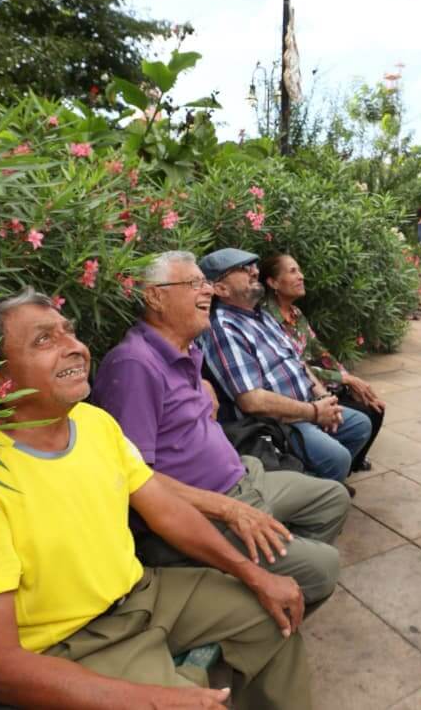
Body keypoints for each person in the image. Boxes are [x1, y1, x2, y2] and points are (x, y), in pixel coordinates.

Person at [0, 289, 311, 710]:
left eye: (68, 333)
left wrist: (252, 573)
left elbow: (167, 511)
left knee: (275, 616)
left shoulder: (93, 423)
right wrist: (155, 701)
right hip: (68, 643)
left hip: (142, 594)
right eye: (44, 340)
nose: (74, 347)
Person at [93, 251, 351, 605]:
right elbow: (135, 480)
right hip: (208, 511)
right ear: (155, 296)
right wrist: (229, 510)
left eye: (206, 283)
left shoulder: (181, 351)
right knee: (325, 569)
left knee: (332, 499)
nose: (207, 292)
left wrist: (204, 384)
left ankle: (270, 576)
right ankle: (251, 596)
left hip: (243, 478)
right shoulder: (133, 366)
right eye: (194, 284)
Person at [200, 248, 372, 483]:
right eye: (243, 269)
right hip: (278, 422)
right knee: (338, 458)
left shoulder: (261, 315)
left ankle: (319, 485)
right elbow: (252, 401)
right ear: (221, 288)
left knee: (360, 425)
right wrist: (313, 413)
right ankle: (314, 494)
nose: (254, 271)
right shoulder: (224, 328)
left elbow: (298, 361)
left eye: (254, 266)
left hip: (307, 405)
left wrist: (324, 399)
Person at [259, 252, 384, 471]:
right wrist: (343, 379)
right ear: (273, 282)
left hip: (321, 384)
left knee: (373, 406)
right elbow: (294, 365)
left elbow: (320, 352)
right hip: (301, 393)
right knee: (364, 415)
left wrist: (349, 378)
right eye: (292, 271)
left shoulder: (296, 313)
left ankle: (349, 465)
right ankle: (333, 470)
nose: (301, 276)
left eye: (299, 270)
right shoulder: (266, 319)